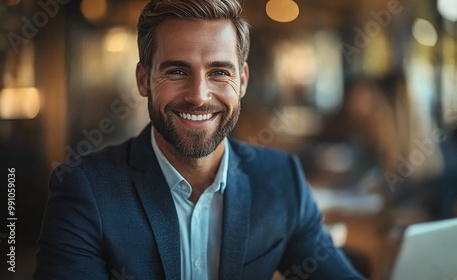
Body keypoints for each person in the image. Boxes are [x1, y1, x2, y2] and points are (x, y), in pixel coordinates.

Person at [34, 0, 363, 279]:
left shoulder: (280, 180)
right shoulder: (84, 190)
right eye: (177, 71)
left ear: (243, 81)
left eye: (219, 72)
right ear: (144, 79)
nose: (198, 96)